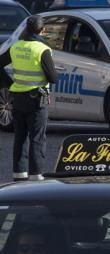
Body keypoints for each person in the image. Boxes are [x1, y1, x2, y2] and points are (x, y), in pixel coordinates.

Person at [0, 16, 58, 181]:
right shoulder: (42, 49)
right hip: (38, 96)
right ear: (42, 30)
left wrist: (9, 82)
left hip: (18, 95)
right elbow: (52, 78)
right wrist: (56, 71)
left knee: (20, 136)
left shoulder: (16, 46)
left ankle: (19, 174)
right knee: (37, 137)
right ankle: (36, 175)